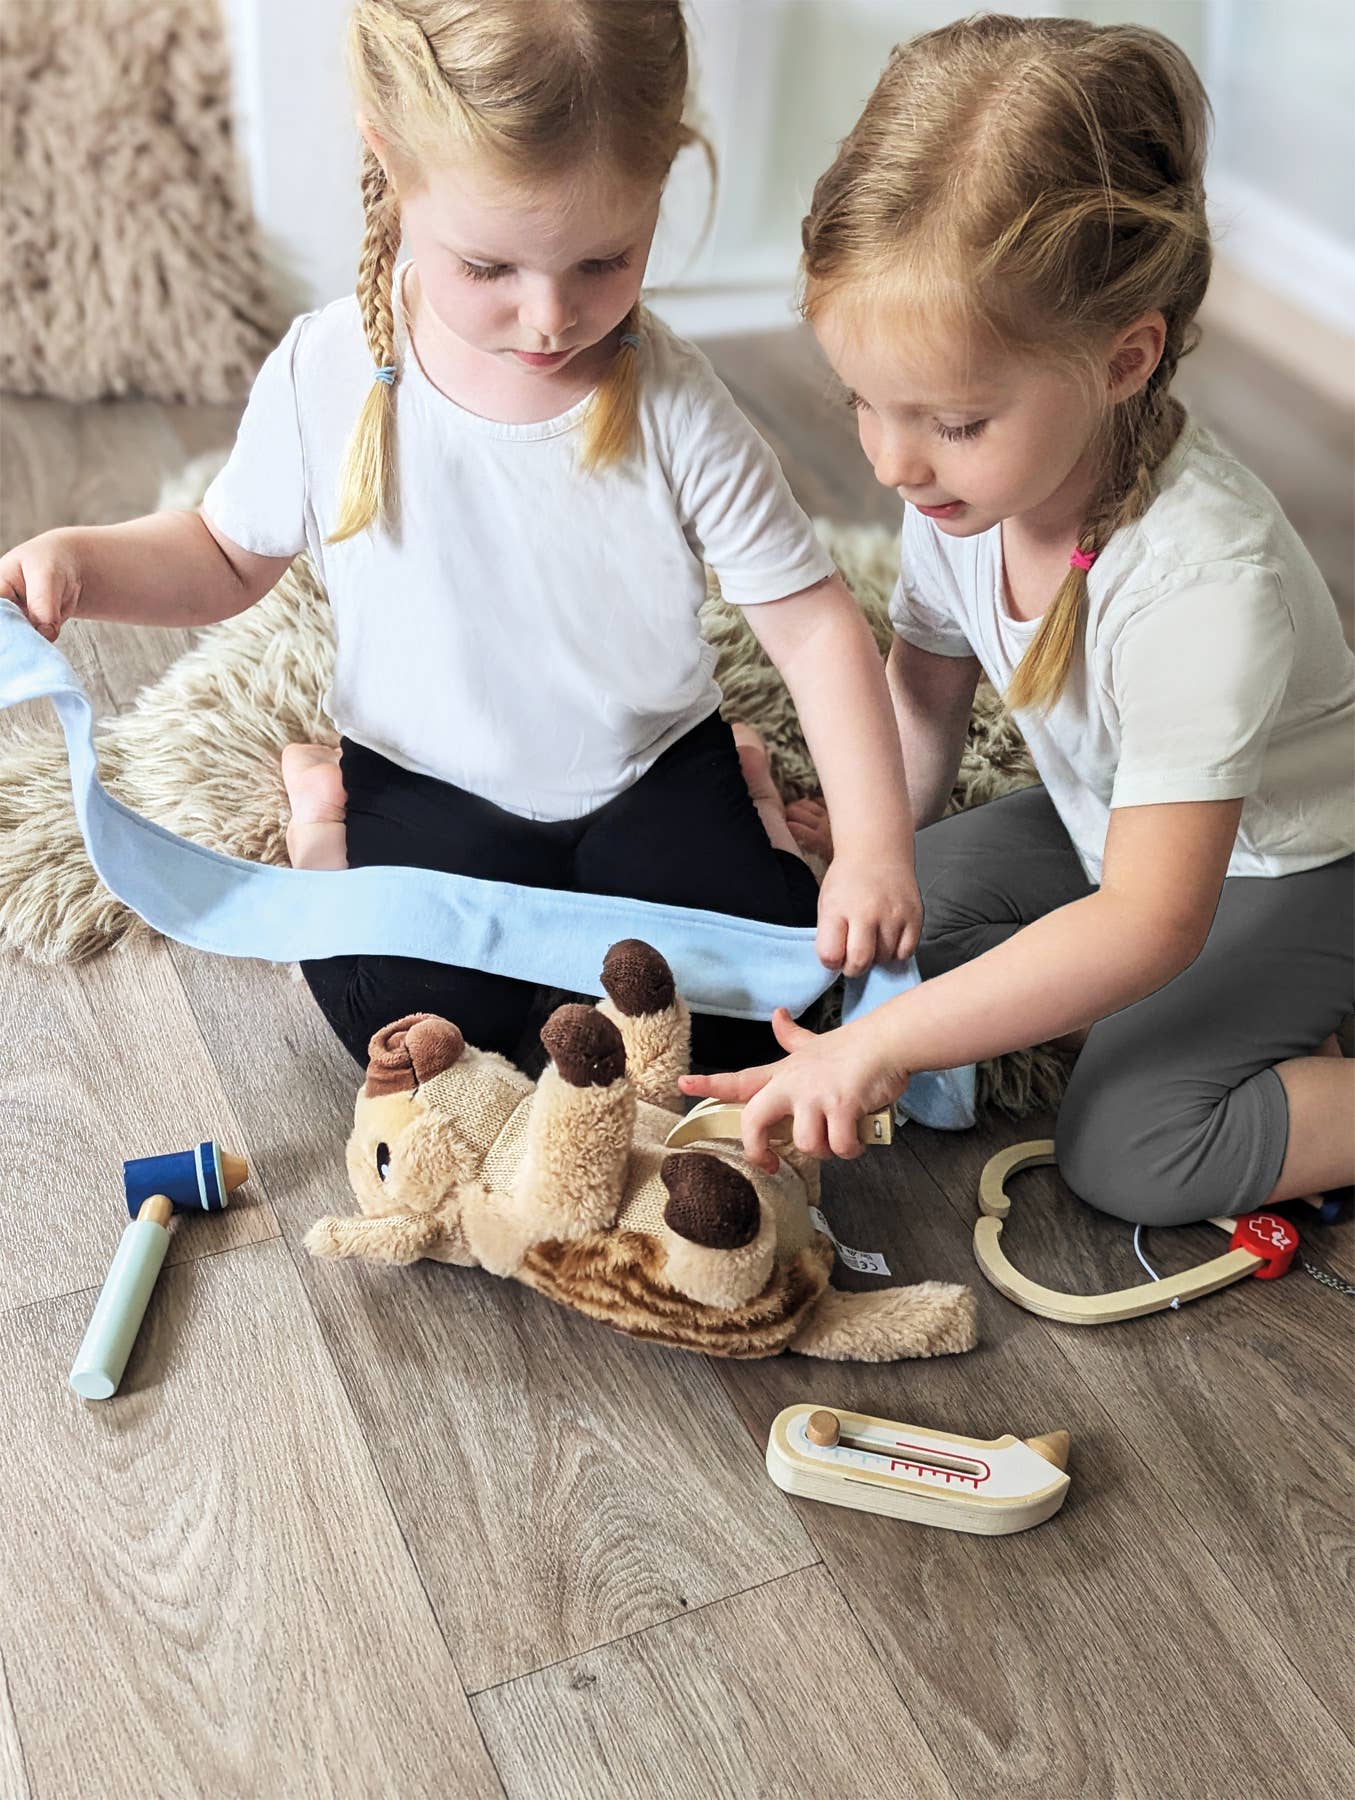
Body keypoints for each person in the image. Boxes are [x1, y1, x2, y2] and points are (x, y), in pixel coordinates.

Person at [0, 0, 916, 1073]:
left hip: (647, 764)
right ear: (388, 161)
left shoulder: (673, 402)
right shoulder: (327, 369)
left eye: (603, 262)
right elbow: (220, 555)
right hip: (424, 774)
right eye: (490, 269)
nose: (549, 317)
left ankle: (743, 788)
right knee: (415, 1031)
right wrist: (81, 562)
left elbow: (812, 630)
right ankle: (319, 816)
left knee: (734, 1018)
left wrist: (873, 847)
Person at [681, 14, 1355, 1226]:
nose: (891, 462)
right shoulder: (962, 493)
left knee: (1129, 1150)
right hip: (1111, 821)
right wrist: (881, 834)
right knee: (855, 937)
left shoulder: (1205, 583)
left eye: (949, 420)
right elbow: (927, 690)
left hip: (1284, 865)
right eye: (862, 404)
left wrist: (880, 1056)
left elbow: (1151, 921)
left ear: (1122, 358)